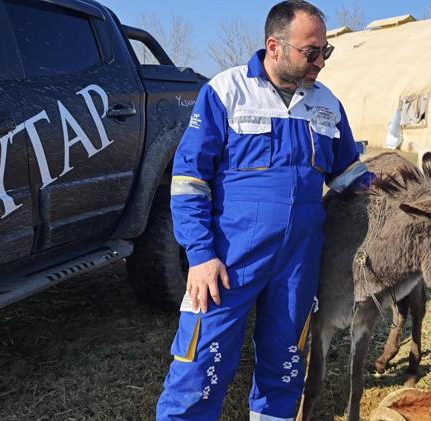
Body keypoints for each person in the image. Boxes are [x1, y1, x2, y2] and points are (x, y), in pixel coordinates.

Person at [156, 1, 373, 419]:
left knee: (285, 366)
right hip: (227, 262)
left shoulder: (327, 105)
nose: (320, 63)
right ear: (274, 46)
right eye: (311, 52)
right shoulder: (225, 92)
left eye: (325, 52)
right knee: (201, 362)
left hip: (297, 265)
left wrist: (401, 197)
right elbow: (189, 180)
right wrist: (200, 255)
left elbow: (348, 175)